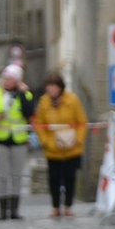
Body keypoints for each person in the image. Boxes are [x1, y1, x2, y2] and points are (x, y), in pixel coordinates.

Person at [0, 64, 36, 220]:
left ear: (18, 80)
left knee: (17, 176)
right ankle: (2, 211)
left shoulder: (26, 94)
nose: (6, 81)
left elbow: (29, 113)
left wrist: (22, 93)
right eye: (5, 78)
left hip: (18, 140)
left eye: (10, 79)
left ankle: (14, 211)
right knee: (3, 175)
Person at [35, 71, 88, 217]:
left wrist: (78, 139)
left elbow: (82, 122)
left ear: (60, 87)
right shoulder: (43, 102)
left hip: (72, 147)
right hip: (52, 148)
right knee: (54, 179)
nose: (51, 89)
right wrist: (45, 141)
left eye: (53, 86)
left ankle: (68, 206)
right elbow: (39, 124)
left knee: (70, 178)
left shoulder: (73, 100)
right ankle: (56, 207)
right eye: (49, 86)